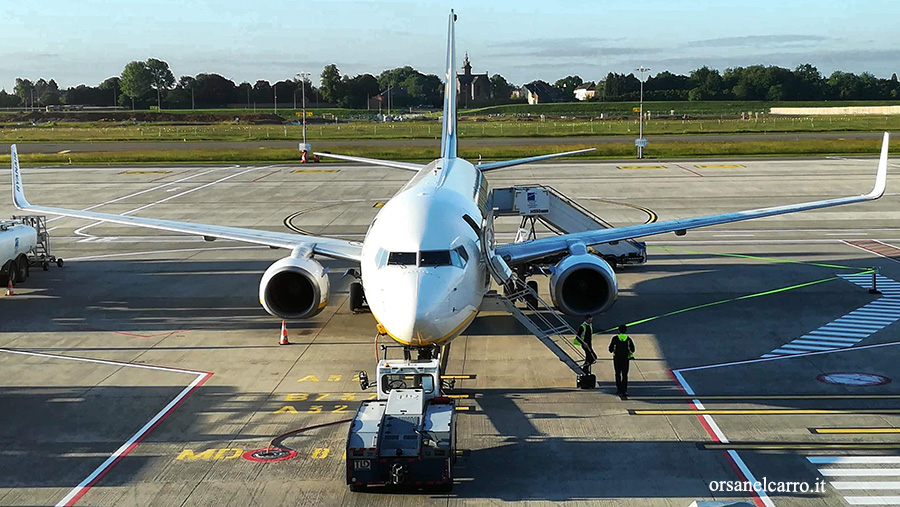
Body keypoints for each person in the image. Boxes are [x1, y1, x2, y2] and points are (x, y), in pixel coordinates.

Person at [608, 324, 635, 399]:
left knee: (617, 373)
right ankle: (624, 390)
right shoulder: (628, 338)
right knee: (625, 374)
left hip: (617, 358)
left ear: (618, 330)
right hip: (625, 358)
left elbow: (610, 349)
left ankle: (619, 389)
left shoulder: (615, 338)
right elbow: (633, 349)